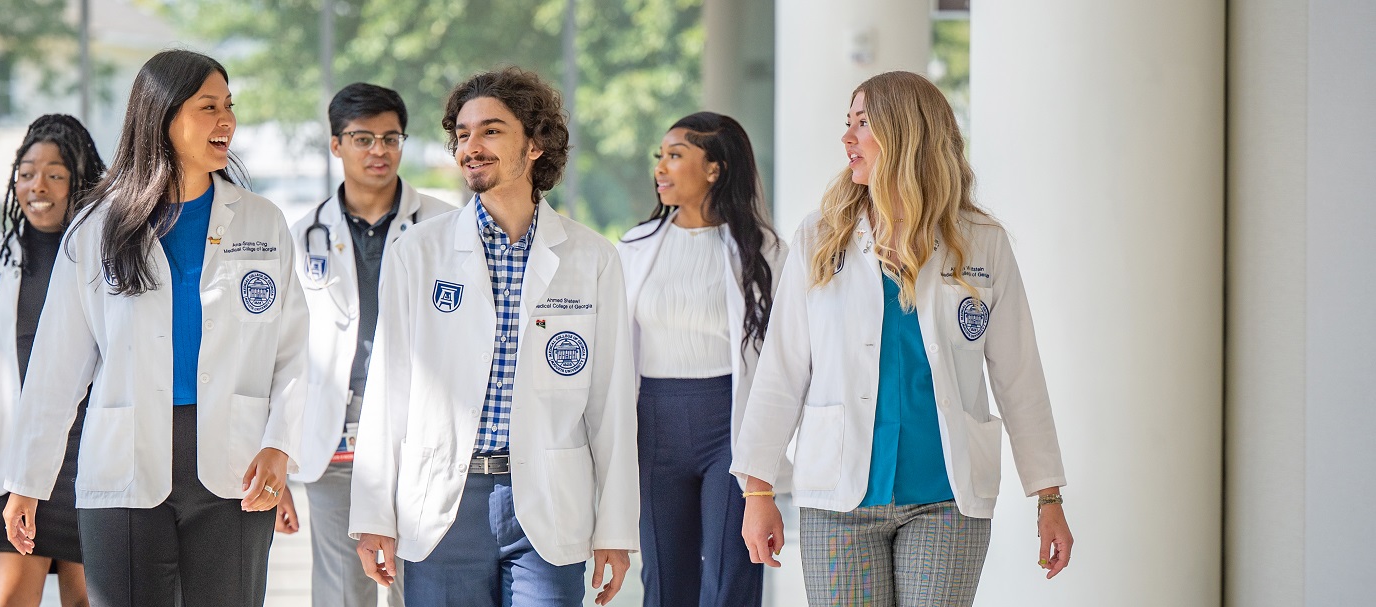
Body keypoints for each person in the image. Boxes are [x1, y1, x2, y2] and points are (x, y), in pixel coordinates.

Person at [733, 70, 1074, 606]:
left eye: (863, 124)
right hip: (839, 501)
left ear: (906, 133)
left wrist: (1047, 496)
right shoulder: (820, 237)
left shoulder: (982, 243)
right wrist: (758, 487)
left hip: (945, 499)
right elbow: (783, 368)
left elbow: (1019, 375)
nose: (847, 139)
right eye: (847, 124)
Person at [0, 49, 308, 607]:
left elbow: (293, 354)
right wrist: (28, 482)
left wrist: (280, 445)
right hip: (124, 466)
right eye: (208, 107)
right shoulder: (96, 229)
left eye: (229, 107)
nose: (226, 122)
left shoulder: (263, 222)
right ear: (162, 117)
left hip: (234, 468)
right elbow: (56, 368)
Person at [347, 67, 638, 607]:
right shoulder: (418, 252)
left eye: (491, 131)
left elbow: (611, 404)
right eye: (462, 134)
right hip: (445, 505)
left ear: (534, 145)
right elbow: (390, 390)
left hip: (549, 503)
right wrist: (373, 516)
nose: (470, 147)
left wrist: (616, 531)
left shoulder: (592, 258)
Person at [282, 81, 454, 607]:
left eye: (390, 138)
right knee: (339, 595)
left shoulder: (446, 225)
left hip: (417, 443)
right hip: (335, 445)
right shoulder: (300, 234)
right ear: (337, 145)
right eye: (363, 138)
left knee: (419, 589)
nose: (378, 151)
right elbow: (280, 352)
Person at [617, 111, 783, 607]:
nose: (661, 168)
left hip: (730, 428)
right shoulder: (633, 247)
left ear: (715, 168)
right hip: (654, 424)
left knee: (732, 579)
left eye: (675, 156)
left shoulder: (768, 253)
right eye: (659, 157)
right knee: (665, 581)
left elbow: (784, 359)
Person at [0, 113, 105, 607]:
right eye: (28, 172)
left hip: (86, 464)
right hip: (9, 464)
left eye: (56, 174)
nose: (39, 186)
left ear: (80, 183)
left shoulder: (104, 257)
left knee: (87, 603)